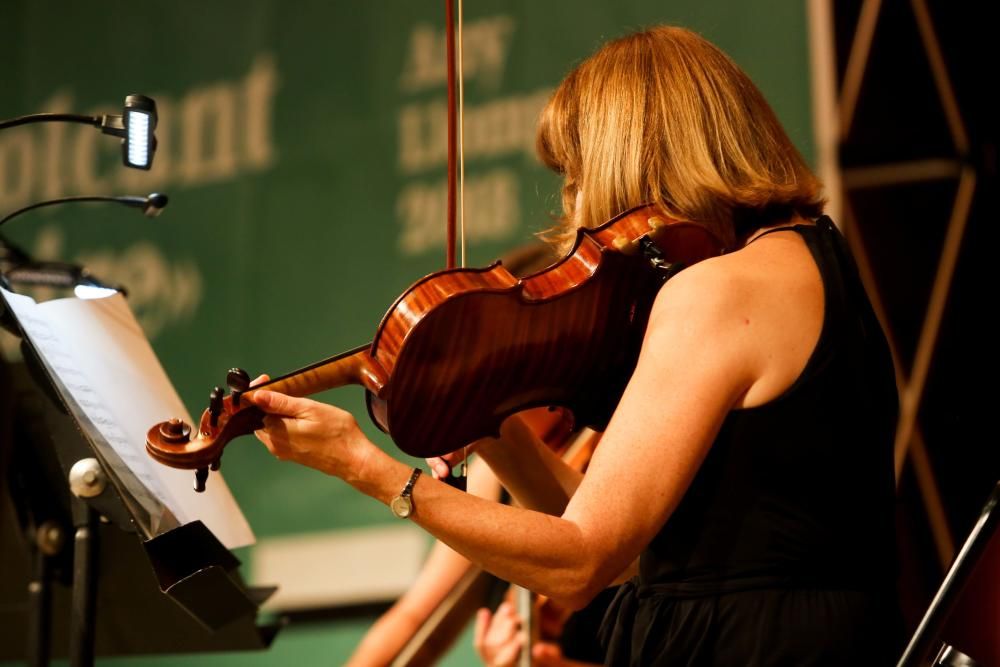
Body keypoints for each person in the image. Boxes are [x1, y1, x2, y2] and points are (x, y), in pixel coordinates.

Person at [248, 25, 902, 665]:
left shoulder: (716, 292)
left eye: (576, 173)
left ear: (629, 156)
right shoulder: (812, 260)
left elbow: (582, 561)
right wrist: (491, 428)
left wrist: (365, 466)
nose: (575, 205)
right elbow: (625, 552)